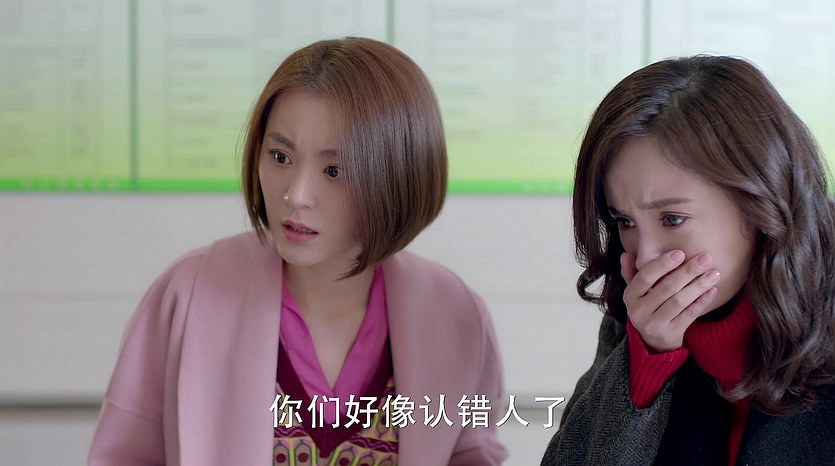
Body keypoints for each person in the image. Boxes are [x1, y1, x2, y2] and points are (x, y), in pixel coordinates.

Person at [89, 37, 506, 465]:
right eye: (280, 156)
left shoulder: (455, 313)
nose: (296, 194)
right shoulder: (188, 293)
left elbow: (472, 454)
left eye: (334, 170)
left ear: (400, 175)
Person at [541, 55, 835, 465]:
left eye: (672, 219)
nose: (646, 256)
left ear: (760, 203)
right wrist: (647, 362)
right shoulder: (637, 315)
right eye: (625, 221)